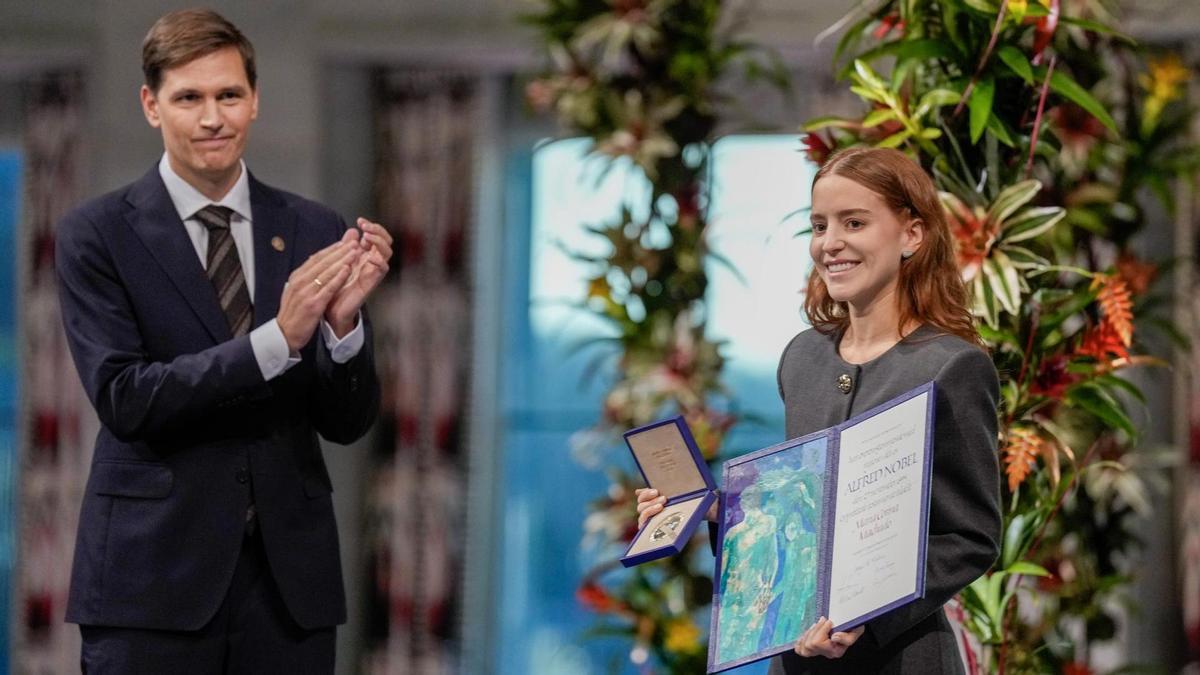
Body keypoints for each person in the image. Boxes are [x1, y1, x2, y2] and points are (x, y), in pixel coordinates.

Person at [54, 9, 391, 673]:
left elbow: (346, 423)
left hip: (289, 591)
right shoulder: (95, 235)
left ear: (255, 100)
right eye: (190, 98)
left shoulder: (311, 225)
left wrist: (343, 330)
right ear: (152, 106)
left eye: (229, 95)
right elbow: (127, 400)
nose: (213, 118)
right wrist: (279, 339)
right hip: (151, 586)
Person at [636, 146, 1001, 673]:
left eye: (854, 222)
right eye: (819, 225)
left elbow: (970, 538)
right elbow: (803, 508)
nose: (831, 244)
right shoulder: (802, 357)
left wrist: (865, 616)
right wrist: (716, 511)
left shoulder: (952, 367)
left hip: (897, 659)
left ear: (912, 235)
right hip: (796, 659)